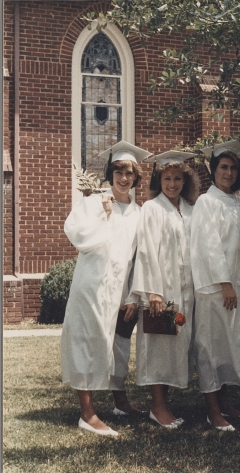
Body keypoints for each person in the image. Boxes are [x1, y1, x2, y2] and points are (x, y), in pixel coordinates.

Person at [61, 140, 152, 435]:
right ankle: (87, 414)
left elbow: (138, 256)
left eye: (129, 173)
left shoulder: (139, 213)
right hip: (92, 285)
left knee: (119, 345)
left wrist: (132, 294)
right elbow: (76, 235)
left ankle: (119, 400)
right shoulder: (93, 202)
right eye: (118, 172)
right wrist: (105, 213)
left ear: (136, 178)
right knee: (89, 341)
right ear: (110, 174)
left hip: (120, 290)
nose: (124, 178)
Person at [190, 140, 240, 432]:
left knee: (226, 347)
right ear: (213, 170)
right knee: (210, 348)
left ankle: (225, 404)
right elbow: (208, 247)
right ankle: (213, 412)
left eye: (233, 168)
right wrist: (224, 283)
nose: (228, 173)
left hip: (238, 286)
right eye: (223, 167)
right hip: (216, 289)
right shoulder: (206, 203)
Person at [131, 150, 200, 428]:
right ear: (159, 180)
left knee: (175, 348)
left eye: (178, 179)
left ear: (186, 181)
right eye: (167, 178)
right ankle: (157, 407)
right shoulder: (152, 208)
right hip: (162, 291)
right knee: (159, 347)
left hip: (186, 291)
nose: (172, 184)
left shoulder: (190, 210)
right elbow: (146, 251)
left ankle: (165, 405)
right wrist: (153, 291)